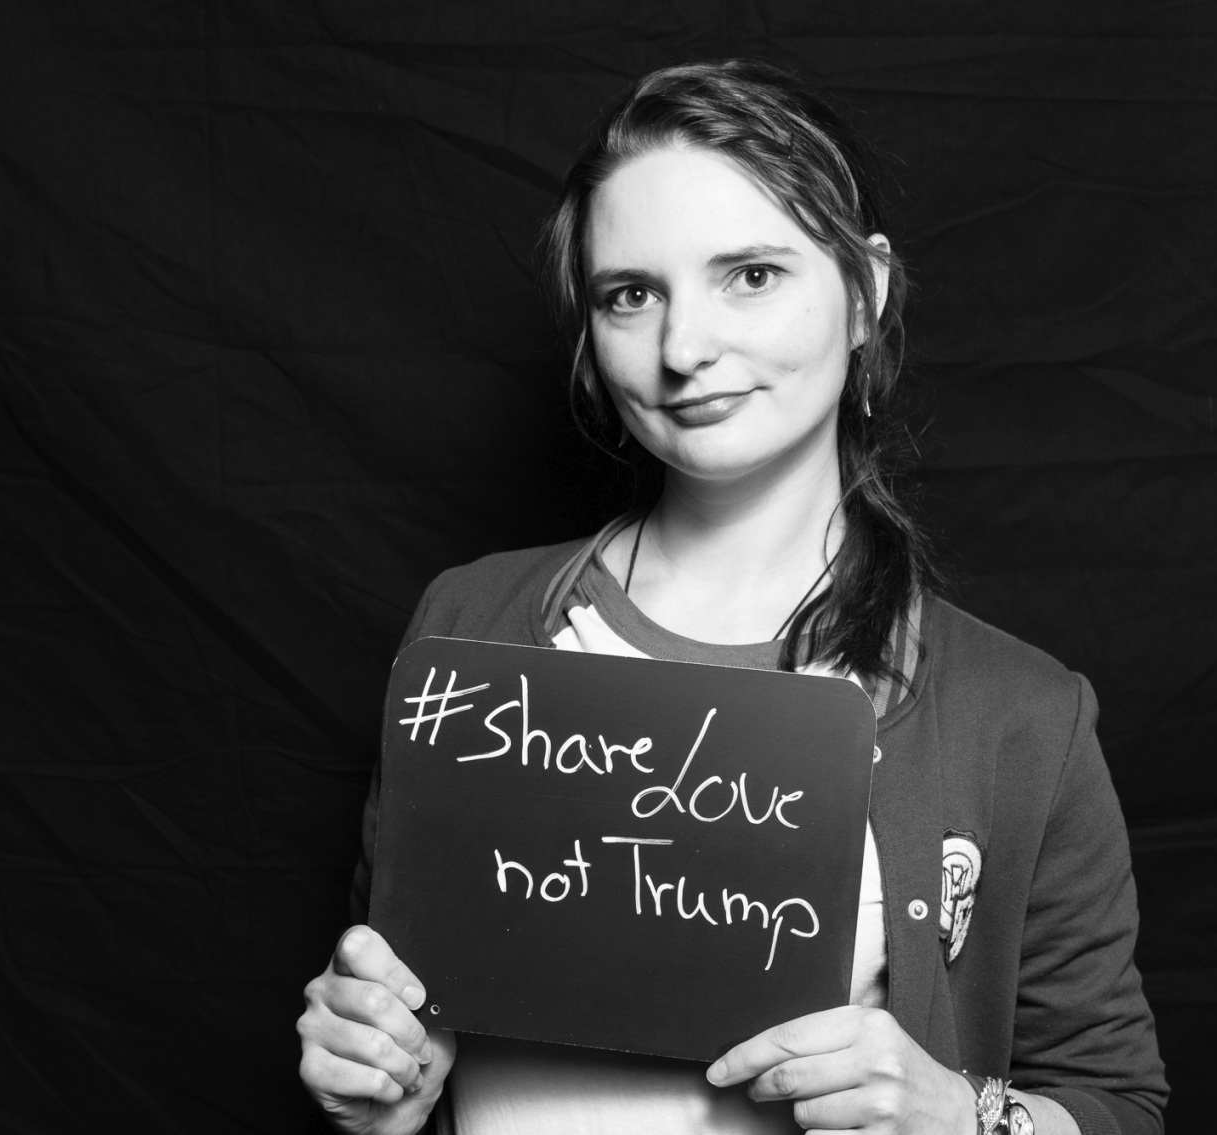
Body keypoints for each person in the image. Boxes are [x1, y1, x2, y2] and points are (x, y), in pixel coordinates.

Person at [297, 59, 1168, 1135]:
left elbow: (1118, 1103)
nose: (684, 348)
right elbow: (397, 1029)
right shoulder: (467, 626)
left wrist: (959, 1116)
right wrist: (377, 1087)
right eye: (632, 294)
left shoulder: (1018, 715)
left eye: (750, 275)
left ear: (866, 294)